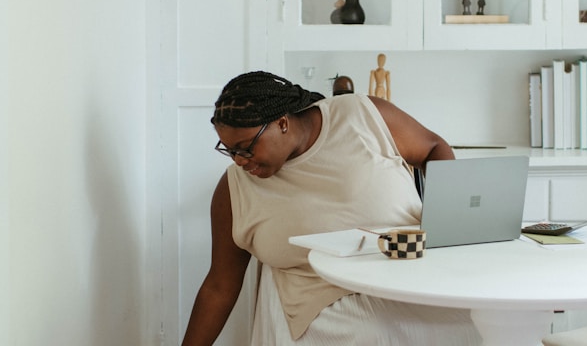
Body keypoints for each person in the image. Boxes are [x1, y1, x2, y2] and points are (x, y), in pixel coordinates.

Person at [181, 71, 480, 345]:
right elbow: (219, 286)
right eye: (229, 150)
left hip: (412, 275)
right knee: (374, 333)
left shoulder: (363, 115)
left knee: (487, 322)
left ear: (282, 123)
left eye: (246, 147)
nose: (239, 160)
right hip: (325, 297)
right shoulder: (235, 189)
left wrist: (444, 219)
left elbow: (433, 148)